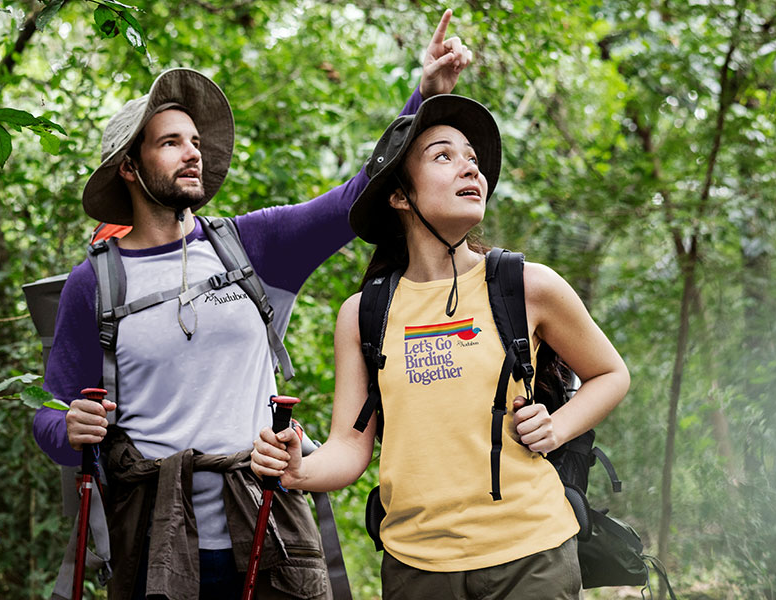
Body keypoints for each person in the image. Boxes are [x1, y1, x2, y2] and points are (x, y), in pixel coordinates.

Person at [32, 10, 475, 600]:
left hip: (269, 533)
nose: (192, 153)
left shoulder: (252, 247)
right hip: (153, 550)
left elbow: (353, 196)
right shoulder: (93, 284)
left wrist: (421, 98)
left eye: (195, 142)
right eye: (170, 143)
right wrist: (68, 426)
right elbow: (47, 412)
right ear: (130, 168)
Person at [250, 94, 631, 599]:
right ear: (400, 197)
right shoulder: (362, 313)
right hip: (416, 564)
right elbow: (348, 446)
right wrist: (300, 469)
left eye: (473, 158)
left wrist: (555, 427)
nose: (469, 167)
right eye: (443, 156)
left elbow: (610, 374)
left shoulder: (526, 284)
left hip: (531, 554)